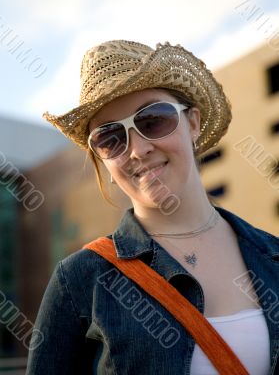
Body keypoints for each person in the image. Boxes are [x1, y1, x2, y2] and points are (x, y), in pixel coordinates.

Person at [26, 40, 279, 374]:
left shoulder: (272, 254)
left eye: (153, 119)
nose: (137, 150)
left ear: (193, 123)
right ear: (103, 161)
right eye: (110, 138)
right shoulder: (78, 280)